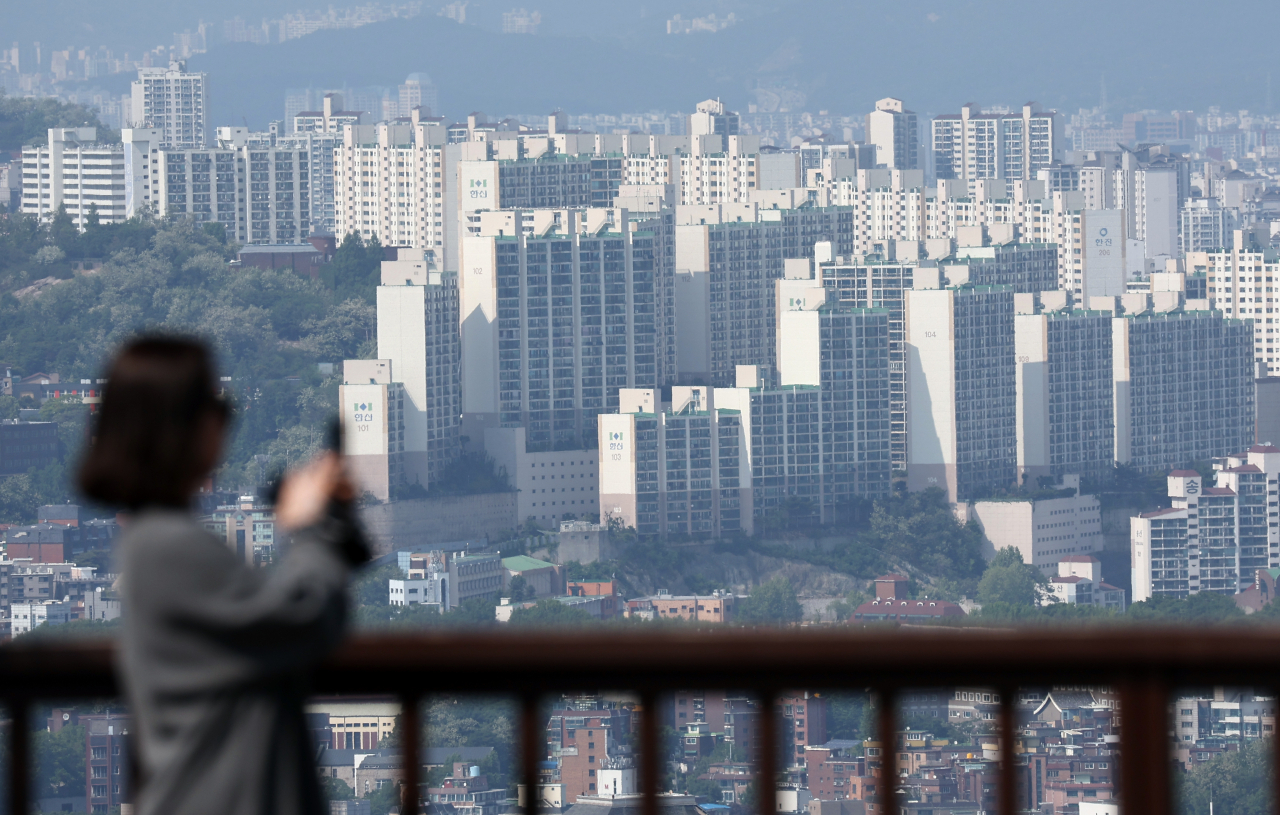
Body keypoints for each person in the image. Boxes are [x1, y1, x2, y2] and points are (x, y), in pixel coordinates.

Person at [78, 337, 370, 815]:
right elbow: (305, 618)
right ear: (182, 426)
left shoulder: (154, 540)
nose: (225, 419)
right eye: (217, 405)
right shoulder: (166, 546)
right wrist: (310, 530)